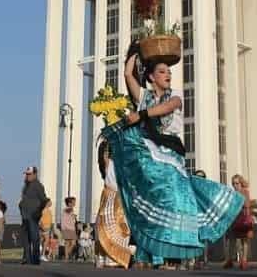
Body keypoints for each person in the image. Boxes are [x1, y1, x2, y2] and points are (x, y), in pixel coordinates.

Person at [102, 43, 242, 268]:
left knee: (178, 200)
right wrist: (134, 52)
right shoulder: (144, 96)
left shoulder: (175, 95)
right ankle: (151, 252)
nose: (168, 75)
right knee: (148, 195)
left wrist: (141, 115)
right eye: (162, 71)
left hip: (170, 154)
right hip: (149, 153)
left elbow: (168, 108)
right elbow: (128, 74)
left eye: (169, 72)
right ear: (151, 76)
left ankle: (175, 250)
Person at [94, 139, 133, 268]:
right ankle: (103, 256)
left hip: (120, 197)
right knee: (105, 225)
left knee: (121, 227)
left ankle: (116, 258)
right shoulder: (108, 163)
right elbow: (104, 153)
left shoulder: (123, 164)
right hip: (110, 196)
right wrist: (108, 142)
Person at [225, 174, 254, 270]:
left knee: (244, 240)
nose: (235, 185)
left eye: (237, 183)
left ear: (241, 183)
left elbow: (247, 205)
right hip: (233, 218)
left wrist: (248, 218)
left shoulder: (245, 192)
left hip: (243, 217)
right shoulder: (232, 193)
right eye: (233, 183)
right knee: (232, 239)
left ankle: (244, 260)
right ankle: (230, 260)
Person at [19, 166, 47, 265]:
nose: (27, 176)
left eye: (29, 174)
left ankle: (35, 259)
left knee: (34, 237)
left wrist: (38, 212)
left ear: (35, 174)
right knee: (25, 238)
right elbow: (24, 199)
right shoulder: (26, 186)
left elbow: (44, 200)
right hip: (25, 215)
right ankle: (27, 258)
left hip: (33, 215)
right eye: (26, 174)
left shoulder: (38, 185)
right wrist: (20, 205)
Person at [60, 196, 78, 261]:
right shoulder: (68, 209)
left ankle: (67, 255)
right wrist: (71, 211)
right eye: (73, 202)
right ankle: (66, 256)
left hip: (71, 228)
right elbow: (68, 210)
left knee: (73, 243)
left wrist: (73, 216)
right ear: (69, 203)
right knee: (68, 243)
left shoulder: (70, 210)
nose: (75, 203)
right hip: (67, 228)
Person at [39, 197, 55, 261]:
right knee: (43, 240)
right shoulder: (42, 210)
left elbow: (50, 221)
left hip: (48, 228)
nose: (51, 203)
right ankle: (41, 254)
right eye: (50, 202)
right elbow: (39, 219)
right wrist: (42, 227)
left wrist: (51, 229)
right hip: (43, 228)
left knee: (45, 241)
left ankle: (42, 254)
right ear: (47, 203)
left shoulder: (49, 211)